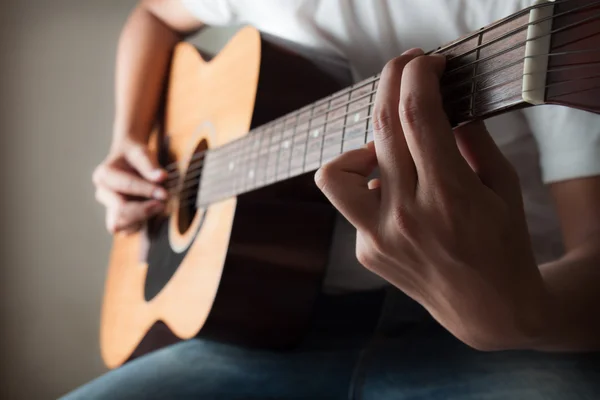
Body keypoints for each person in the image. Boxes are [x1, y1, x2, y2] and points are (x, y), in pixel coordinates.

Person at [69, 0, 600, 398]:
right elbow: (155, 16)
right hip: (262, 327)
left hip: (505, 338)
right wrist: (129, 139)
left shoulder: (547, 20)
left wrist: (527, 315)